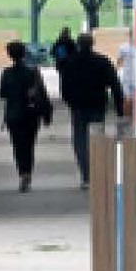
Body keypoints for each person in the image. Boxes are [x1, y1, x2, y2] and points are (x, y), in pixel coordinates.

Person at [58, 31, 125, 188]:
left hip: (78, 106)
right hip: (97, 104)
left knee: (80, 139)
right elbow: (115, 84)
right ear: (92, 44)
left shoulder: (69, 62)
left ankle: (86, 175)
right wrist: (119, 107)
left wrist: (69, 101)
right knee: (97, 137)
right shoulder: (102, 61)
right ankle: (97, 171)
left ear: (78, 44)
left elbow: (64, 86)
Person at [0, 39, 52, 192]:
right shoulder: (33, 72)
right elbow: (42, 94)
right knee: (29, 145)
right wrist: (47, 114)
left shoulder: (7, 73)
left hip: (13, 114)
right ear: (24, 53)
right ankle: (27, 172)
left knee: (18, 145)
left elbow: (2, 93)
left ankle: (23, 173)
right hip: (31, 114)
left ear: (10, 55)